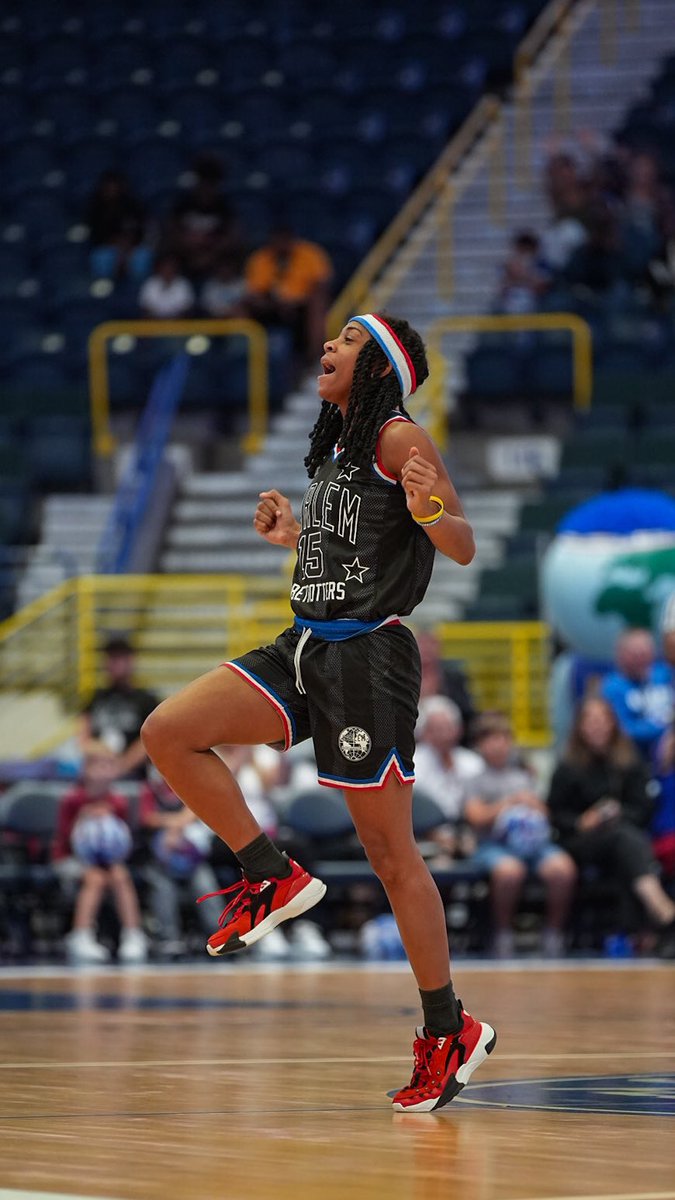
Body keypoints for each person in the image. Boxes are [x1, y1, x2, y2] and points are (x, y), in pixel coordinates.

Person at [141, 311, 496, 1112]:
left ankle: (449, 1029)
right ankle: (270, 877)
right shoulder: (337, 446)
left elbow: (463, 543)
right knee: (169, 731)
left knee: (391, 855)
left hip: (369, 658)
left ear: (378, 367)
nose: (328, 348)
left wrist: (434, 512)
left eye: (346, 340)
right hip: (306, 643)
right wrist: (294, 539)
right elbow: (348, 555)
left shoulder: (400, 438)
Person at [547, 696, 675, 958]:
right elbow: (554, 814)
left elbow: (643, 809)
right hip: (580, 842)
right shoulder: (568, 766)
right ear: (580, 727)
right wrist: (583, 821)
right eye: (590, 721)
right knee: (626, 841)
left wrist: (617, 813)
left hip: (623, 837)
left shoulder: (629, 762)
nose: (597, 727)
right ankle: (663, 913)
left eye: (602, 721)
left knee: (624, 843)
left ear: (612, 725)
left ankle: (642, 933)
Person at [464, 712, 577, 958]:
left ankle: (553, 933)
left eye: (503, 738)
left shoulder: (524, 776)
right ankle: (503, 932)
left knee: (563, 870)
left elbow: (546, 815)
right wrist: (508, 804)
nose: (498, 745)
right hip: (492, 845)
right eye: (491, 739)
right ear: (480, 745)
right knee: (510, 872)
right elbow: (475, 816)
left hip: (533, 844)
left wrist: (533, 805)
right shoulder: (474, 780)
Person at [53, 751, 147, 964]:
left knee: (120, 875)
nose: (104, 772)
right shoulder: (72, 799)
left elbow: (123, 839)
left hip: (107, 861)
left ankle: (133, 935)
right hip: (69, 858)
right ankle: (81, 935)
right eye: (98, 767)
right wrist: (83, 819)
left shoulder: (118, 801)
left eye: (109, 766)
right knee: (95, 878)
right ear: (85, 771)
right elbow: (64, 839)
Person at [244, 218, 333, 366]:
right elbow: (255, 292)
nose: (281, 245)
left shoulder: (310, 254)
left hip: (302, 306)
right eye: (277, 240)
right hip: (271, 306)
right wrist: (276, 303)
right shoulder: (260, 258)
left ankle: (315, 358)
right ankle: (243, 357)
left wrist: (293, 303)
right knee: (242, 306)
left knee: (318, 303)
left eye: (285, 240)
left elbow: (322, 285)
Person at [79, 636, 159, 781]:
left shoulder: (146, 700)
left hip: (134, 778)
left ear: (131, 660)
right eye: (111, 658)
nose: (114, 663)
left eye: (119, 657)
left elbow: (150, 740)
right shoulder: (96, 698)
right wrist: (100, 754)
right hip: (98, 777)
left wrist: (122, 766)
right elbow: (83, 738)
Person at [414, 696, 483, 860]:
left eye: (448, 727)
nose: (443, 734)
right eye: (436, 728)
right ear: (423, 732)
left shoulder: (473, 762)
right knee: (441, 860)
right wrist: (437, 836)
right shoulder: (412, 762)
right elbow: (412, 811)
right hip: (424, 837)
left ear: (459, 729)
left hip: (467, 835)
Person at [600, 628, 674, 764]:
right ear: (620, 655)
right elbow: (624, 729)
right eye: (635, 655)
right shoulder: (612, 687)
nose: (641, 659)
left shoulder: (666, 674)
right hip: (633, 760)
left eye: (645, 653)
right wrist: (666, 728)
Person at [86, 169, 152, 283]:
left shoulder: (133, 206)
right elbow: (95, 236)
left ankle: (137, 290)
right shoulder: (96, 208)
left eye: (114, 186)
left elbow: (141, 230)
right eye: (109, 187)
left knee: (143, 256)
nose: (112, 190)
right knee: (102, 257)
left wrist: (128, 247)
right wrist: (117, 247)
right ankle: (104, 292)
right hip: (107, 248)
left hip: (133, 248)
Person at [138, 254, 195, 319]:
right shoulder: (150, 284)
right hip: (154, 323)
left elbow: (186, 309)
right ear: (159, 268)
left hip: (178, 324)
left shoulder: (183, 284)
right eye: (165, 267)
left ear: (175, 268)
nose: (167, 269)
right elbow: (145, 307)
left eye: (170, 267)